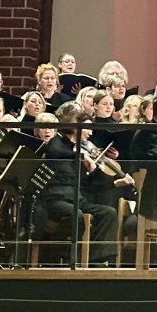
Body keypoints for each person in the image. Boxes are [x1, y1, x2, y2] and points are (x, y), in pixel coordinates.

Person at [40, 108, 119, 265]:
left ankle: (97, 259)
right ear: (76, 126)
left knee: (108, 213)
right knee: (76, 215)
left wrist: (113, 181)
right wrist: (81, 156)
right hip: (56, 198)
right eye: (87, 128)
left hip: (78, 198)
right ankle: (65, 258)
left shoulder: (81, 150)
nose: (90, 133)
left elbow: (90, 183)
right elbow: (55, 151)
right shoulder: (58, 142)